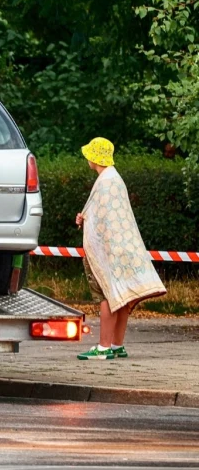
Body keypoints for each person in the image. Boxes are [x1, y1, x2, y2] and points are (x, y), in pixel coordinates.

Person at [74, 138, 167, 360]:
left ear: (95, 157)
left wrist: (84, 220)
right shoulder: (114, 178)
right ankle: (116, 345)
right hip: (123, 248)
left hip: (110, 252)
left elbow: (102, 219)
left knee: (106, 296)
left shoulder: (106, 182)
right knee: (122, 296)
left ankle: (104, 347)